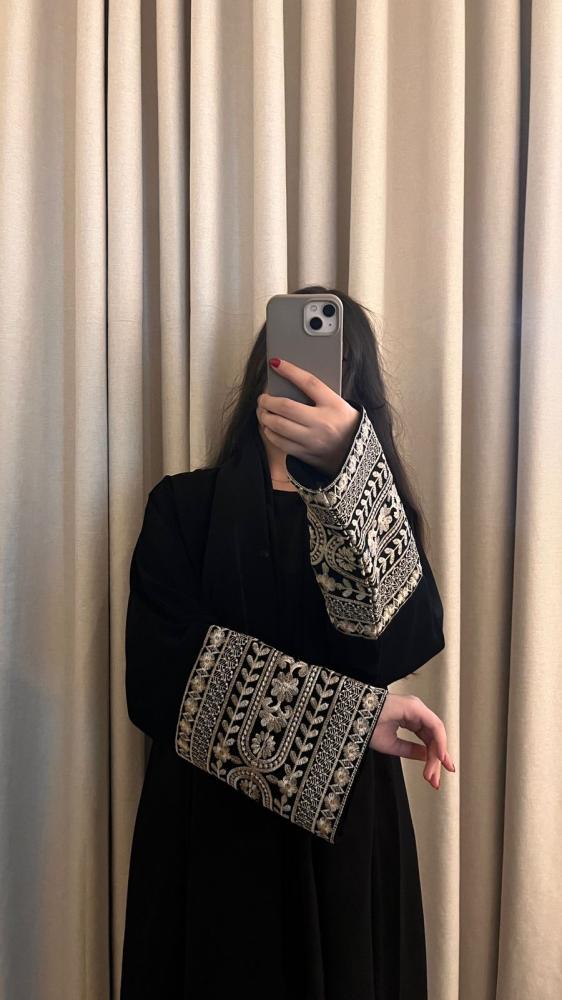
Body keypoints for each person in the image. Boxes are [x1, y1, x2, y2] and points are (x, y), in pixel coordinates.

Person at [120, 285, 454, 999]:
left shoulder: (383, 516)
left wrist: (349, 477)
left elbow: (401, 641)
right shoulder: (183, 508)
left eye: (333, 366)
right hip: (210, 835)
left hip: (348, 840)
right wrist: (356, 721)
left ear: (357, 393)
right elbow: (157, 679)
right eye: (289, 360)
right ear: (263, 373)